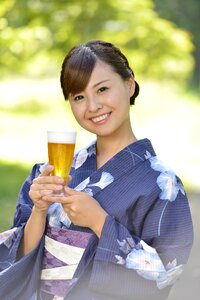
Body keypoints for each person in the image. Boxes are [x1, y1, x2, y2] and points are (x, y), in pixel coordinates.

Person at [0, 40, 193, 300]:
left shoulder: (163, 185)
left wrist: (99, 222)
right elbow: (19, 259)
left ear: (129, 84)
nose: (92, 106)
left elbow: (166, 275)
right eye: (79, 96)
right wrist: (39, 210)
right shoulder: (53, 171)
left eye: (102, 89)